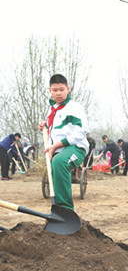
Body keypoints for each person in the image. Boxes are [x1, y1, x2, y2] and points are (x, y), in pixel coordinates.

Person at [38, 74, 89, 210]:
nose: (58, 93)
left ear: (68, 89)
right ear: (50, 91)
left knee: (59, 162)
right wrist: (46, 126)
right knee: (55, 166)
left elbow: (80, 132)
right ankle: (59, 210)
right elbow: (58, 130)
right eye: (55, 90)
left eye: (61, 89)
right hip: (58, 150)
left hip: (75, 148)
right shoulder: (52, 109)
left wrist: (55, 146)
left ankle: (65, 210)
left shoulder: (74, 108)